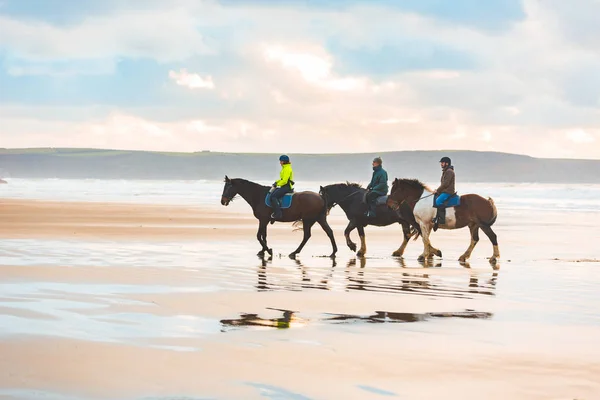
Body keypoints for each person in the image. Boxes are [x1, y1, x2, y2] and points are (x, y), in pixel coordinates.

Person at [433, 156, 456, 226]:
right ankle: (437, 216)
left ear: (447, 163)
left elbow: (445, 184)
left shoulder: (449, 171)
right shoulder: (446, 171)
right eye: (441, 163)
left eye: (442, 163)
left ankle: (442, 219)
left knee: (438, 201)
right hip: (445, 191)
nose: (441, 164)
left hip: (448, 191)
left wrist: (437, 190)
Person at [270, 155, 294, 220]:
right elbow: (282, 179)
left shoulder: (287, 169)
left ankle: (278, 213)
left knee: (273, 196)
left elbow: (285, 181)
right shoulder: (285, 168)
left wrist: (276, 185)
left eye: (280, 161)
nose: (280, 162)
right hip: (284, 186)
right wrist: (276, 182)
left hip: (286, 187)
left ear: (283, 161)